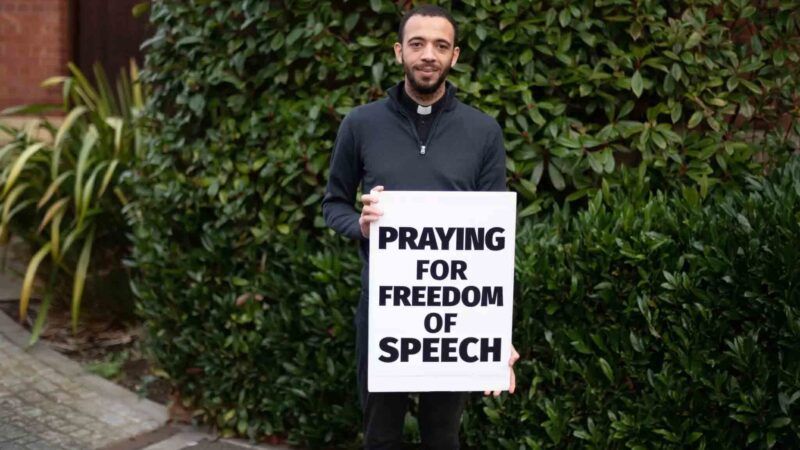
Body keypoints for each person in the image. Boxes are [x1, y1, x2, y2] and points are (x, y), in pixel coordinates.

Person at [322, 5, 519, 449]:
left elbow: (494, 243)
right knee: (381, 436)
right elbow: (333, 203)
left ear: (455, 56)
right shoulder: (361, 124)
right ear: (398, 52)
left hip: (455, 319)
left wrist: (497, 335)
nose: (428, 54)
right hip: (383, 315)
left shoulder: (483, 131)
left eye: (440, 45)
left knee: (443, 437)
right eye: (417, 44)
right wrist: (361, 226)